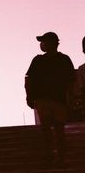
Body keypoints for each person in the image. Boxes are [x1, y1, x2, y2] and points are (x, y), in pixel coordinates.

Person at [25, 32, 75, 168]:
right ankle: (56, 156)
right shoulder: (63, 59)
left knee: (51, 129)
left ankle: (54, 156)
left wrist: (29, 96)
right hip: (51, 100)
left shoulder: (41, 60)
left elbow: (28, 79)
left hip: (51, 100)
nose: (42, 45)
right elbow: (71, 82)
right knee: (55, 129)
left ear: (51, 43)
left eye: (44, 42)